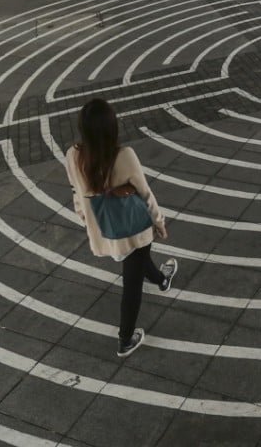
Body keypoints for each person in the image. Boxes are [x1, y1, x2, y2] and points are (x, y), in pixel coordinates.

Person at [64, 98, 176, 357]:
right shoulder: (124, 156)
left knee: (138, 259)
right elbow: (145, 195)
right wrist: (159, 222)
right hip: (133, 229)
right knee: (133, 282)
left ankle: (161, 279)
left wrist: (84, 218)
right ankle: (126, 339)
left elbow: (76, 193)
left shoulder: (73, 155)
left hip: (104, 229)